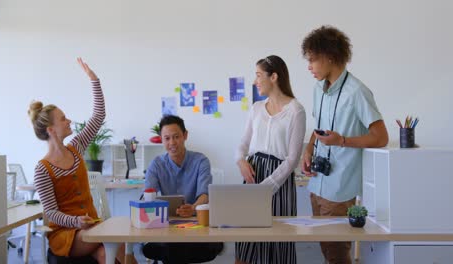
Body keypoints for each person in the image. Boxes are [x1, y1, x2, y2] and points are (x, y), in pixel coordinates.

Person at [301, 26, 389, 264]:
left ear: (330, 56)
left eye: (313, 60)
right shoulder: (318, 89)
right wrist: (309, 149)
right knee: (327, 250)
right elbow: (318, 128)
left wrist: (342, 141)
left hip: (340, 188)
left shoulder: (357, 92)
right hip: (317, 183)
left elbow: (381, 137)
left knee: (337, 253)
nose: (309, 66)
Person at [30, 58, 126, 263]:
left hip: (91, 226)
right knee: (114, 240)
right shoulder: (42, 169)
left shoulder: (76, 147)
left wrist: (94, 80)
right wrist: (75, 221)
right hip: (66, 234)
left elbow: (99, 115)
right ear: (51, 129)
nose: (69, 121)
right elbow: (51, 213)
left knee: (108, 252)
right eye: (63, 118)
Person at [235, 55, 306, 264]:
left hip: (279, 182)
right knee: (246, 243)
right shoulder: (256, 108)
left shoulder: (296, 111)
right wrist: (241, 161)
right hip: (253, 175)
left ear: (273, 76)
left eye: (258, 75)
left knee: (278, 243)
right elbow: (243, 143)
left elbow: (292, 159)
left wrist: (267, 186)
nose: (255, 81)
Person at [142, 115, 223, 264]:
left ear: (185, 135)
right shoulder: (156, 164)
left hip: (197, 225)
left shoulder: (201, 161)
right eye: (167, 138)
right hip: (168, 227)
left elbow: (205, 195)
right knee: (171, 247)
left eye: (176, 137)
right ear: (161, 139)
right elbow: (148, 195)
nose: (172, 143)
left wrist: (192, 208)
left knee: (175, 250)